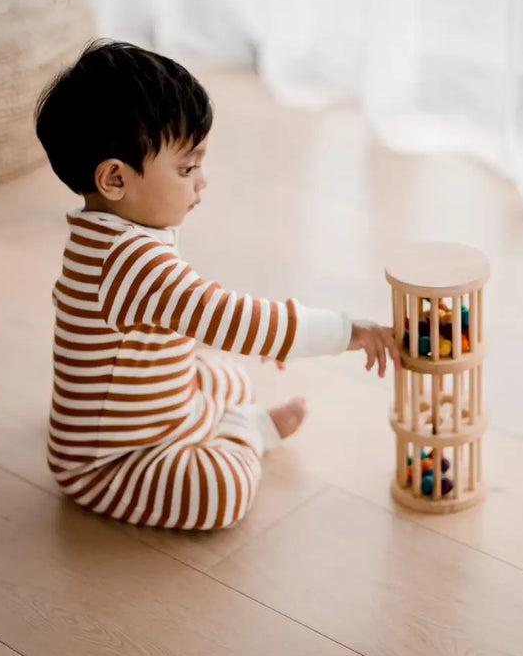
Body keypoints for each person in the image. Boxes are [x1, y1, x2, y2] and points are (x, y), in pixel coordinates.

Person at [34, 39, 400, 530]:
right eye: (186, 168)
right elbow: (230, 318)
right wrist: (348, 332)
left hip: (158, 404)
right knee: (219, 493)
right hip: (109, 461)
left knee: (227, 376)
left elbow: (180, 324)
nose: (202, 181)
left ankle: (214, 419)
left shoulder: (105, 230)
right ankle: (247, 431)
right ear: (115, 180)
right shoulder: (128, 261)